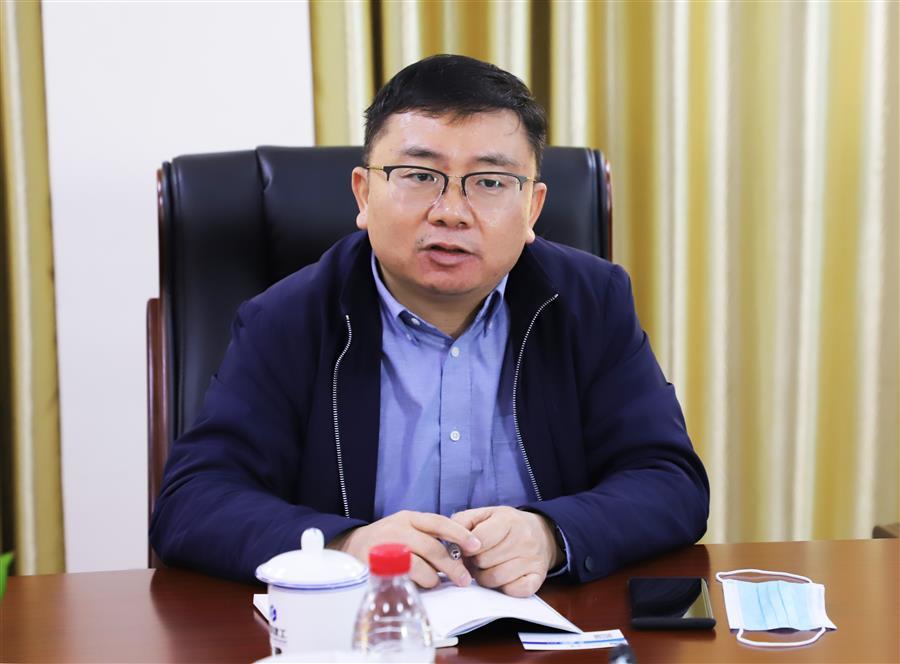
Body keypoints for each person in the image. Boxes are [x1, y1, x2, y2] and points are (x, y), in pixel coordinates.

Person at [149, 54, 709, 598]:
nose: (451, 211)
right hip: (364, 628)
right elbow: (193, 503)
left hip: (541, 625)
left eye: (490, 182)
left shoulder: (590, 301)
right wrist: (348, 545)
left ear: (533, 209)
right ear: (364, 194)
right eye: (419, 175)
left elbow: (670, 482)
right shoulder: (288, 318)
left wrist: (550, 534)